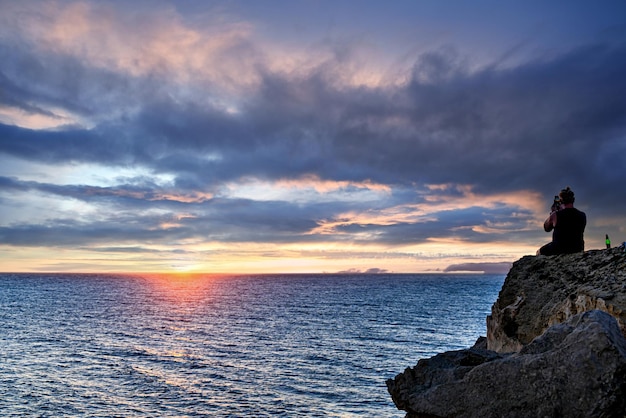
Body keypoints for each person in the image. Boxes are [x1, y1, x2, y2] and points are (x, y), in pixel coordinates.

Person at [537, 187, 586, 256]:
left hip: (559, 249)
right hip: (578, 248)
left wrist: (553, 212)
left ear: (561, 201)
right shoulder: (582, 215)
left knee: (539, 252)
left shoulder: (556, 215)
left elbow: (546, 228)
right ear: (573, 200)